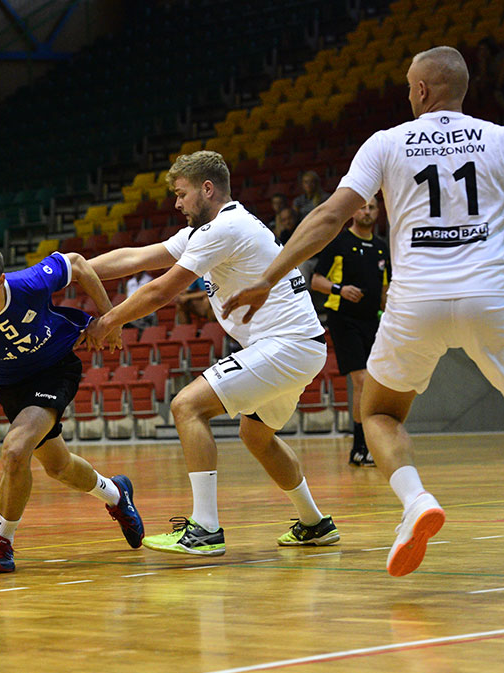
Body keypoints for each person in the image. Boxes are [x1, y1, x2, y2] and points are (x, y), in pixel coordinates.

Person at [222, 46, 504, 577]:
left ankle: (416, 500)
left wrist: (267, 277)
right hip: (490, 295)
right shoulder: (499, 139)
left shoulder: (388, 142)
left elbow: (330, 216)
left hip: (415, 301)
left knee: (378, 413)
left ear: (421, 90)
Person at [84, 150, 339, 556]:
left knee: (187, 406)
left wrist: (107, 321)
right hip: (298, 345)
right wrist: (72, 269)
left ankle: (204, 529)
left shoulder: (224, 228)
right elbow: (136, 257)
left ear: (207, 189)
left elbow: (160, 291)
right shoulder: (209, 230)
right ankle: (314, 523)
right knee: (256, 436)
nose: (177, 203)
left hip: (286, 344)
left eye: (181, 193)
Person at [0, 242, 144, 573]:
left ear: (0, 280)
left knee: (15, 451)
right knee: (59, 466)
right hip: (11, 385)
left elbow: (78, 263)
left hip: (55, 368)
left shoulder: (30, 282)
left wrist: (110, 320)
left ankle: (2, 541)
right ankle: (116, 493)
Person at [311, 196, 390, 466]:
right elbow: (316, 281)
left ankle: (369, 445)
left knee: (376, 383)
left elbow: (385, 290)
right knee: (362, 381)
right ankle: (360, 447)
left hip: (373, 322)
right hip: (344, 319)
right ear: (353, 211)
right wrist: (340, 289)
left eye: (372, 208)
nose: (367, 211)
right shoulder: (340, 242)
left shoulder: (381, 248)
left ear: (378, 212)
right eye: (362, 207)